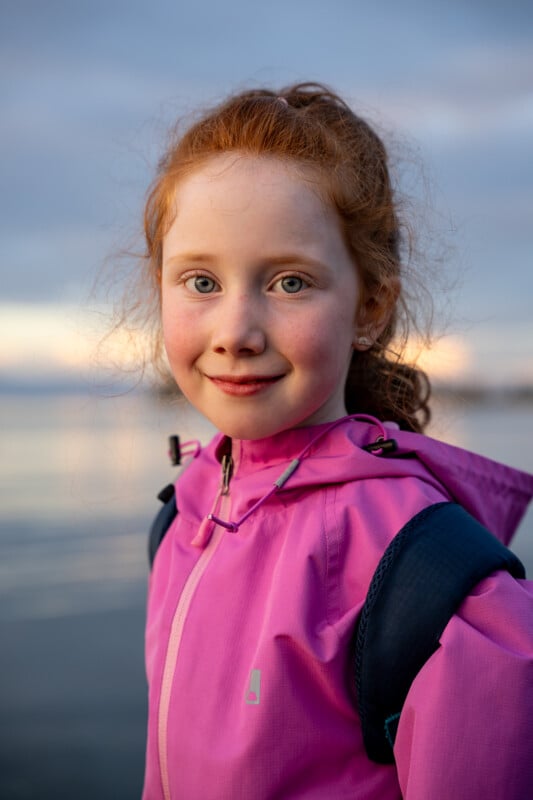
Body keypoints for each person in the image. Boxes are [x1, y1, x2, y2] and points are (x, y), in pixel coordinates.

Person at [137, 83, 533, 799]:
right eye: (200, 280)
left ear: (369, 307)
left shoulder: (434, 584)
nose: (235, 332)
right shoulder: (183, 519)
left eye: (289, 282)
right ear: (158, 286)